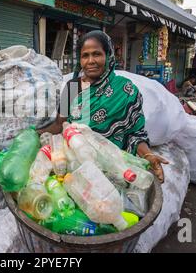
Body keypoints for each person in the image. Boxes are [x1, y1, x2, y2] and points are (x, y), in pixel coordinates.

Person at [39, 30, 168, 182]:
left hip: (114, 168)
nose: (91, 61)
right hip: (75, 167)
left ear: (108, 56)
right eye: (85, 56)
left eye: (97, 54)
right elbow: (60, 124)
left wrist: (148, 156)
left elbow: (135, 134)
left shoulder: (124, 89)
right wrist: (34, 133)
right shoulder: (72, 87)